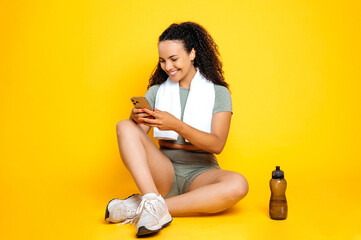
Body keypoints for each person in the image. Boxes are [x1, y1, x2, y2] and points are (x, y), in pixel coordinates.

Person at [105, 21, 249, 237]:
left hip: (202, 174)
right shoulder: (156, 91)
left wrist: (177, 125)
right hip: (164, 172)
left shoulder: (219, 93)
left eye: (174, 59)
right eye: (162, 60)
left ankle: (146, 206)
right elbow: (136, 140)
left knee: (238, 185)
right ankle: (153, 202)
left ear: (192, 54)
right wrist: (134, 119)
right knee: (124, 126)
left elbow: (217, 144)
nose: (168, 67)